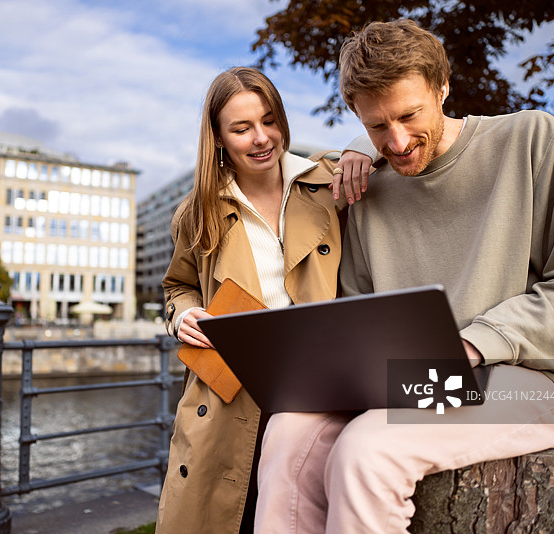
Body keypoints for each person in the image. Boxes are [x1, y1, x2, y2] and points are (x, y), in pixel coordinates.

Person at [254, 19, 554, 533]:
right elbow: (359, 306)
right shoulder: (368, 184)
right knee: (288, 432)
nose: (396, 142)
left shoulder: (532, 140)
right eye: (376, 126)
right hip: (410, 379)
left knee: (368, 451)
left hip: (532, 377)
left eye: (409, 115)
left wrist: (472, 344)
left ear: (443, 87)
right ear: (357, 115)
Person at [155, 67, 374, 534]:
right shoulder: (197, 212)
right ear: (217, 138)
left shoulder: (327, 183)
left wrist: (364, 143)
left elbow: (396, 149)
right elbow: (177, 285)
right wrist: (183, 315)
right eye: (241, 128)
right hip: (230, 392)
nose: (261, 138)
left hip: (321, 388)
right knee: (232, 515)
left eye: (270, 120)